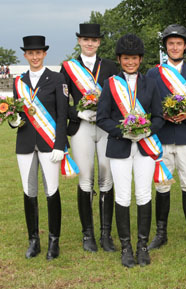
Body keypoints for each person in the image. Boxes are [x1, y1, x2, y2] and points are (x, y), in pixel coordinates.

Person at [96, 34, 165, 268]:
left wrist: (146, 131)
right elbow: (102, 118)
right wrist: (122, 131)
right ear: (119, 59)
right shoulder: (110, 84)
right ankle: (126, 247)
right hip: (120, 145)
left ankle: (142, 246)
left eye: (134, 58)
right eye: (126, 58)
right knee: (123, 196)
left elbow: (159, 116)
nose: (130, 62)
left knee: (144, 194)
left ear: (140, 59)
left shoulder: (150, 83)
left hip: (145, 146)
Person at [146, 24, 186, 250]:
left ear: (185, 47)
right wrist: (160, 115)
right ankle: (160, 233)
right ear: (165, 47)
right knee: (162, 186)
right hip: (162, 138)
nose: (175, 47)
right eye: (170, 43)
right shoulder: (153, 73)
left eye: (179, 44)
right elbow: (146, 106)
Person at [10, 36, 70, 260]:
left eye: (38, 53)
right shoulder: (19, 82)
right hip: (25, 142)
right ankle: (33, 240)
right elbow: (16, 113)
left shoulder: (56, 78)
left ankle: (54, 241)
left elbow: (63, 114)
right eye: (30, 53)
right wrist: (13, 121)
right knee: (29, 191)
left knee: (52, 191)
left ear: (44, 54)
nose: (34, 57)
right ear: (25, 55)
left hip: (49, 143)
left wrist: (60, 145)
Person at [61, 23, 118, 252]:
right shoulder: (67, 68)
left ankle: (106, 234)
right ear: (79, 41)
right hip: (81, 127)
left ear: (99, 42)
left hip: (105, 128)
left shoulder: (111, 66)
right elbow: (61, 104)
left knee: (107, 177)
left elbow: (118, 98)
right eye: (85, 39)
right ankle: (88, 235)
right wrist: (78, 112)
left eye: (94, 40)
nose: (90, 43)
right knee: (85, 179)